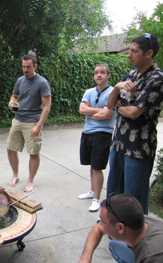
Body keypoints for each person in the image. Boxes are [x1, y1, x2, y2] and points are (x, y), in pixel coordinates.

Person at [106, 33, 163, 214]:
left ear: (149, 53)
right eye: (129, 50)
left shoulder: (157, 79)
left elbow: (134, 113)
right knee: (114, 193)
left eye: (134, 51)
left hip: (138, 149)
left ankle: (135, 240)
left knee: (134, 200)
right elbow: (109, 104)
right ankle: (115, 229)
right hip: (119, 144)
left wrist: (118, 107)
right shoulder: (130, 75)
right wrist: (116, 87)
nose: (129, 55)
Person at [7, 52, 52, 192]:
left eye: (28, 67)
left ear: (35, 66)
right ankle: (15, 175)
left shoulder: (42, 83)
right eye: (23, 67)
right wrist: (12, 101)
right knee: (10, 149)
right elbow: (14, 95)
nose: (25, 70)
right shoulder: (20, 80)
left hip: (33, 122)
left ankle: (30, 180)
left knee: (33, 153)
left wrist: (38, 125)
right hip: (18, 119)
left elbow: (47, 106)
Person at [79, 194, 163, 263]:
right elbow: (97, 229)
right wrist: (85, 259)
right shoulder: (134, 219)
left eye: (103, 221)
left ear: (120, 227)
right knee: (115, 246)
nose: (100, 223)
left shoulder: (151, 257)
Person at [78, 64, 116, 212]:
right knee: (92, 165)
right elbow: (82, 110)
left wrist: (90, 111)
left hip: (103, 133)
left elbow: (107, 115)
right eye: (96, 73)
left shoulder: (112, 93)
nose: (98, 75)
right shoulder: (89, 92)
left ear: (108, 75)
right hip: (87, 132)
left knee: (98, 167)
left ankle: (97, 199)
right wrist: (100, 111)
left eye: (102, 73)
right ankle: (92, 191)